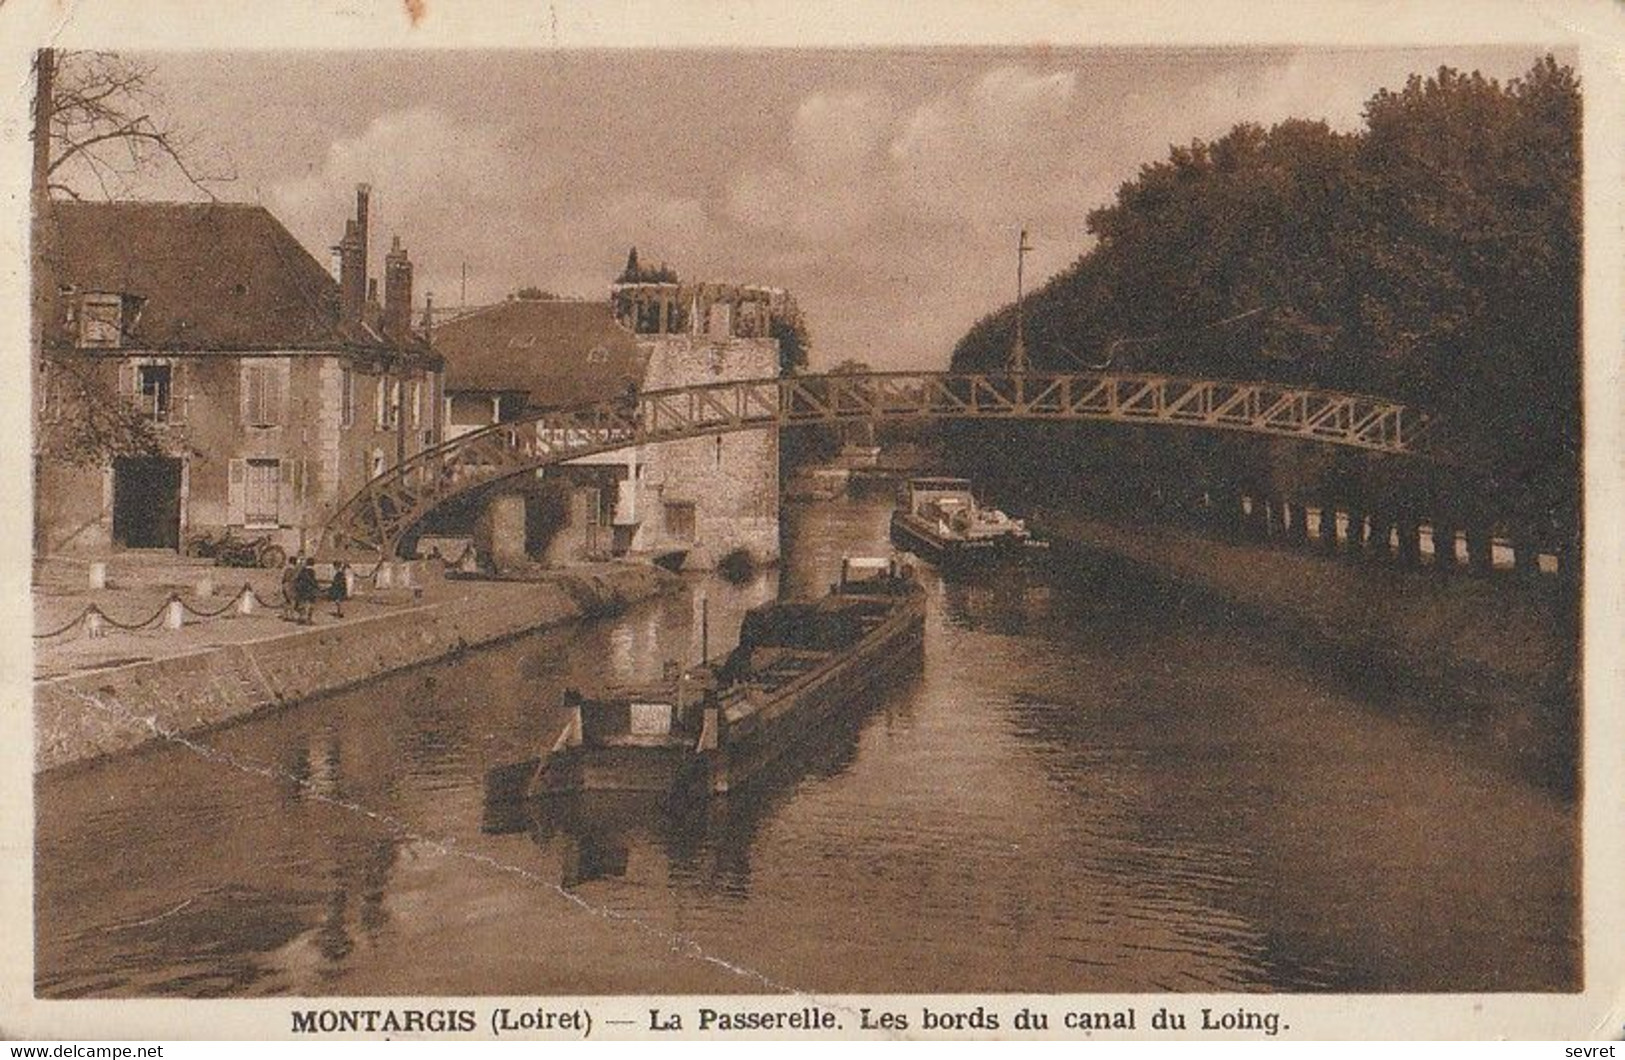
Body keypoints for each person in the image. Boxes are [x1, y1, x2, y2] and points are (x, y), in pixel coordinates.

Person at [292, 558, 319, 625]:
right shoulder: (311, 571)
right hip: (309, 590)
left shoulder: (302, 570)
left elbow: (297, 579)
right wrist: (318, 587)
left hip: (301, 590)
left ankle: (301, 619)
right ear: (313, 564)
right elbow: (313, 581)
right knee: (310, 605)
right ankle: (308, 620)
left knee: (302, 604)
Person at [279, 556, 299, 621]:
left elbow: (282, 577)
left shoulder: (285, 568)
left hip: (284, 584)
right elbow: (293, 578)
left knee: (286, 601)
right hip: (291, 584)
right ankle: (291, 615)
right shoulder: (293, 569)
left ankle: (285, 615)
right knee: (292, 600)